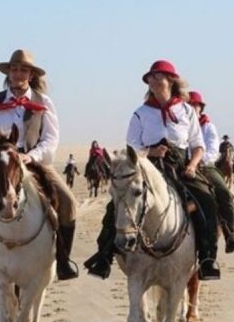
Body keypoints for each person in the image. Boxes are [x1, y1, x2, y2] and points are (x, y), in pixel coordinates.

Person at [84, 60, 221, 280]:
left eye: (159, 76)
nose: (154, 80)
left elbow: (197, 144)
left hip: (181, 164)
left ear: (171, 80)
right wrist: (151, 152)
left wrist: (193, 165)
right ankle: (104, 256)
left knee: (207, 200)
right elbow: (131, 145)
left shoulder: (186, 110)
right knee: (116, 204)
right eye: (151, 77)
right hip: (148, 165)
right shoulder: (140, 113)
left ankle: (207, 257)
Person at [0, 49, 79, 280]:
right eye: (14, 69)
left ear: (31, 75)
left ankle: (63, 261)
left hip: (33, 163)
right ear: (8, 73)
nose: (18, 73)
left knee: (68, 202)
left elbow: (51, 138)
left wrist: (33, 156)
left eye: (23, 70)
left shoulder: (44, 102)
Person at [188, 91, 234, 252]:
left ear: (201, 108)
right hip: (181, 166)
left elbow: (213, 149)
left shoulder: (207, 126)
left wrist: (197, 162)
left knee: (224, 194)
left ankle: (230, 235)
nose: (192, 108)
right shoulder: (178, 125)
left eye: (195, 105)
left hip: (204, 166)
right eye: (189, 105)